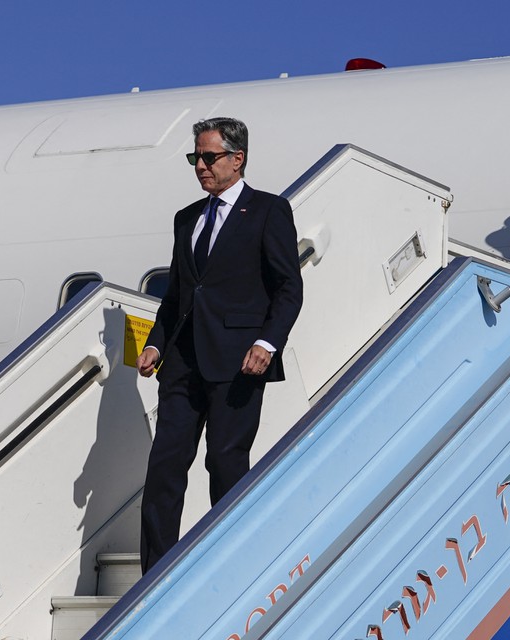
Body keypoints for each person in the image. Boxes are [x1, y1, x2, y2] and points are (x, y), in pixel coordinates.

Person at [135, 117, 303, 573]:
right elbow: (177, 296)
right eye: (196, 158)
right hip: (183, 362)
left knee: (225, 463)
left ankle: (232, 567)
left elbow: (289, 288)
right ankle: (154, 574)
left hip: (239, 363)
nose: (201, 167)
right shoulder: (186, 218)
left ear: (237, 158)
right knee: (165, 466)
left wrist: (267, 343)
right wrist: (155, 344)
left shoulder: (268, 211)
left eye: (209, 157)